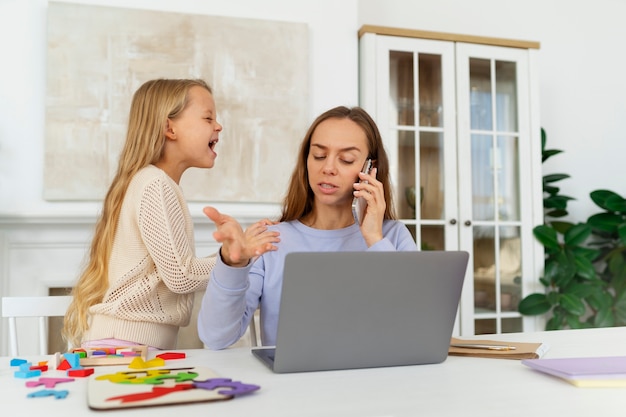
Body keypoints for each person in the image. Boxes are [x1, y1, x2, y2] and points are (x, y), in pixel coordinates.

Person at [62, 78, 277, 350]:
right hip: (128, 347)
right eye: (208, 118)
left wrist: (235, 252)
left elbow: (176, 270)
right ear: (169, 128)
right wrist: (233, 257)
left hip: (129, 344)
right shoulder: (155, 184)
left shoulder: (152, 182)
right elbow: (181, 276)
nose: (218, 126)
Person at [197, 105, 417, 350]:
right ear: (306, 160)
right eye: (319, 155)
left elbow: (413, 327)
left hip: (377, 382)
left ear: (369, 169)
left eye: (346, 159)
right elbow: (215, 337)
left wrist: (374, 238)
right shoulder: (272, 240)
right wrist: (231, 264)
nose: (328, 168)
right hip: (293, 386)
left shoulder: (392, 237)